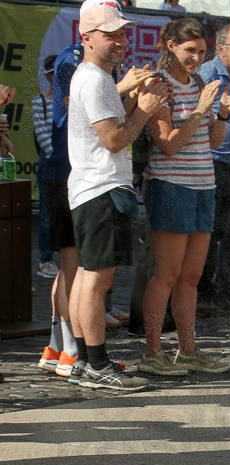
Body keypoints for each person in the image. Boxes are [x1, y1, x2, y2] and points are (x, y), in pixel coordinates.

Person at [67, 3, 170, 391]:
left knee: (87, 277)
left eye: (123, 33)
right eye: (111, 34)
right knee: (96, 279)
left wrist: (136, 103)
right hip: (101, 188)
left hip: (93, 186)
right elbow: (114, 140)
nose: (121, 41)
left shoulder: (97, 77)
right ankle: (96, 364)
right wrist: (144, 111)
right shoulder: (94, 79)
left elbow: (110, 128)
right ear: (86, 37)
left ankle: (84, 360)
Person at [138, 17, 230, 377]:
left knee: (191, 276)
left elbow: (211, 143)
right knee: (166, 273)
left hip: (202, 185)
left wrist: (222, 112)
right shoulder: (158, 85)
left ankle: (187, 350)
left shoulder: (198, 82)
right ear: (171, 47)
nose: (197, 58)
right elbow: (168, 145)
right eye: (190, 51)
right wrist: (199, 110)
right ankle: (152, 351)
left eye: (201, 51)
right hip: (171, 186)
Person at [197, 25, 230, 307]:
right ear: (220, 48)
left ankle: (229, 285)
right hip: (211, 162)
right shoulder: (207, 75)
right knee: (211, 230)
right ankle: (204, 288)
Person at [32, 55, 59, 280]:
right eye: (53, 73)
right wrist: (59, 156)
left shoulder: (75, 101)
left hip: (74, 165)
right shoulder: (39, 101)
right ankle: (46, 260)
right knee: (47, 214)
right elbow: (42, 135)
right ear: (48, 76)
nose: (57, 77)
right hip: (51, 164)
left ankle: (73, 258)